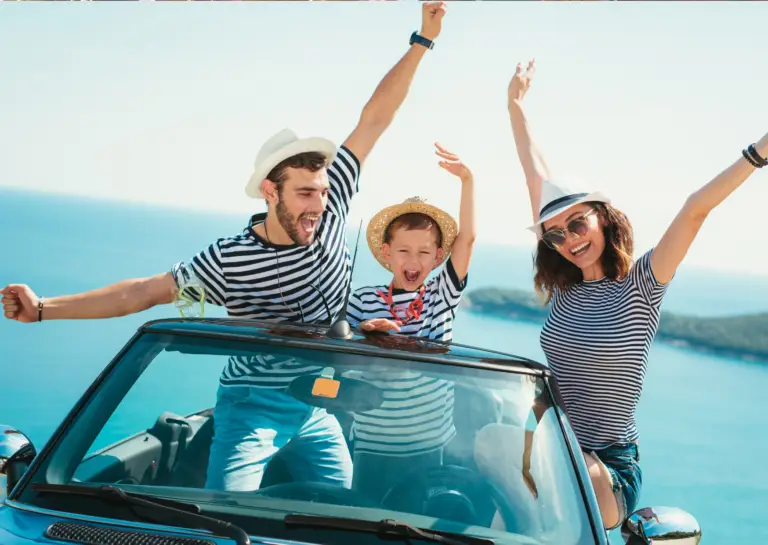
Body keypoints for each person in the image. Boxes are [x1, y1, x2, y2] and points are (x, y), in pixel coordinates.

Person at [0, 0, 449, 492]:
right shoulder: (229, 259)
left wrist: (422, 41)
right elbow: (142, 293)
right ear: (270, 191)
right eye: (304, 194)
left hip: (318, 399)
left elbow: (374, 119)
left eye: (321, 193)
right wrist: (43, 308)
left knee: (345, 506)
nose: (319, 205)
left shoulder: (333, 196)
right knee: (226, 507)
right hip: (252, 401)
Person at [505, 59, 768, 529]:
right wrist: (516, 105)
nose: (569, 238)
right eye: (556, 234)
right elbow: (535, 177)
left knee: (564, 474)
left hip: (605, 469)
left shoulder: (640, 286)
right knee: (488, 447)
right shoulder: (565, 288)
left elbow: (693, 211)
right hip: (552, 448)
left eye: (578, 223)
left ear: (603, 217)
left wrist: (758, 152)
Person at [345, 143, 476, 500]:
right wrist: (363, 333)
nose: (413, 259)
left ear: (437, 257)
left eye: (423, 252)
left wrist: (467, 180)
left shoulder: (442, 296)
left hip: (430, 445)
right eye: (404, 250)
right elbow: (338, 354)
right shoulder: (362, 301)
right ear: (387, 254)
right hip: (372, 445)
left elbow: (467, 239)